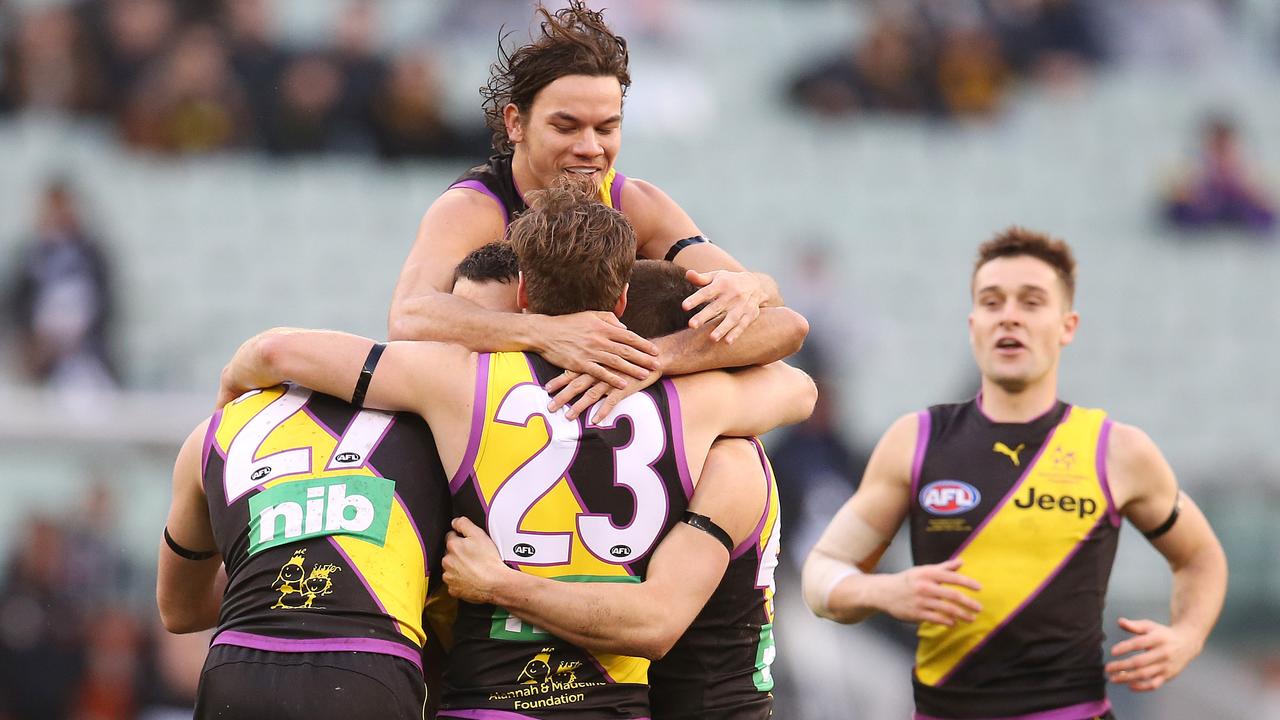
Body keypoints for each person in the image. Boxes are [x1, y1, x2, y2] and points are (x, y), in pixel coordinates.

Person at [217, 182, 817, 718]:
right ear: (620, 303)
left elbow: (275, 353)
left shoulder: (457, 380)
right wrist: (659, 359)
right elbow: (799, 384)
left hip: (488, 701)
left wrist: (228, 408)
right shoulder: (699, 406)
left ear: (524, 293)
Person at [801, 228, 1228, 720]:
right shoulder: (915, 441)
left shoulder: (1117, 451)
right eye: (992, 301)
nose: (1009, 315)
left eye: (1031, 302)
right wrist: (884, 591)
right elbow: (822, 571)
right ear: (973, 323)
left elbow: (1200, 556)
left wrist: (1188, 635)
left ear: (1067, 325)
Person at [156, 245, 529, 719]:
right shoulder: (464, 441)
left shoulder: (214, 431)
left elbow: (179, 610)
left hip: (235, 667)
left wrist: (284, 562)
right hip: (368, 667)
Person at [441, 260, 784, 720]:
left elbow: (656, 621)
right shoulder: (678, 439)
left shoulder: (730, 461)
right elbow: (797, 380)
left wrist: (502, 586)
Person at [388, 1, 783, 393]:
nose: (590, 148)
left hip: (613, 406)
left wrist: (663, 354)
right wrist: (546, 334)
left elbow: (777, 319)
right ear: (515, 123)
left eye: (606, 128)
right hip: (491, 414)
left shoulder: (636, 204)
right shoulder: (475, 207)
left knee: (763, 405)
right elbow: (410, 316)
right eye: (566, 127)